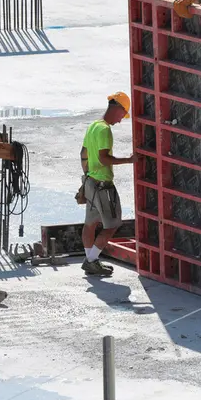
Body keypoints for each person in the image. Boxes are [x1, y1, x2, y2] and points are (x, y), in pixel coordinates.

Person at [79, 92, 138, 277]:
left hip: (90, 182)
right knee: (112, 224)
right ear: (117, 108)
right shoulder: (104, 129)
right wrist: (129, 161)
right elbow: (104, 159)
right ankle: (91, 260)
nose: (121, 120)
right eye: (123, 115)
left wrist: (87, 176)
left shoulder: (93, 126)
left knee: (90, 223)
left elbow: (83, 153)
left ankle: (90, 259)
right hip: (103, 186)